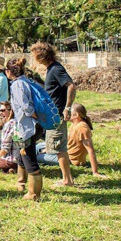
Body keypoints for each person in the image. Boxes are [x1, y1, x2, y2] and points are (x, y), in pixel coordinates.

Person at [31, 42, 77, 187]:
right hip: (51, 114)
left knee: (59, 148)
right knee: (58, 148)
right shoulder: (52, 69)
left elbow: (71, 86)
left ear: (41, 55)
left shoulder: (56, 69)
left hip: (56, 115)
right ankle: (67, 178)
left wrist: (67, 107)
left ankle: (67, 180)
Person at [6, 58, 43, 201]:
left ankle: (34, 193)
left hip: (26, 127)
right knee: (19, 153)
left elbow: (26, 106)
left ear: (9, 72)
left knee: (29, 158)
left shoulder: (18, 85)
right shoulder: (24, 81)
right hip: (19, 127)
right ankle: (21, 182)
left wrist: (35, 116)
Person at [36, 104, 107, 178]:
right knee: (37, 147)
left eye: (68, 111)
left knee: (36, 157)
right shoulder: (74, 124)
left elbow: (90, 150)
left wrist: (95, 172)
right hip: (65, 149)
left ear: (76, 115)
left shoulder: (82, 128)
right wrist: (49, 148)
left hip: (70, 159)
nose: (65, 113)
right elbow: (67, 140)